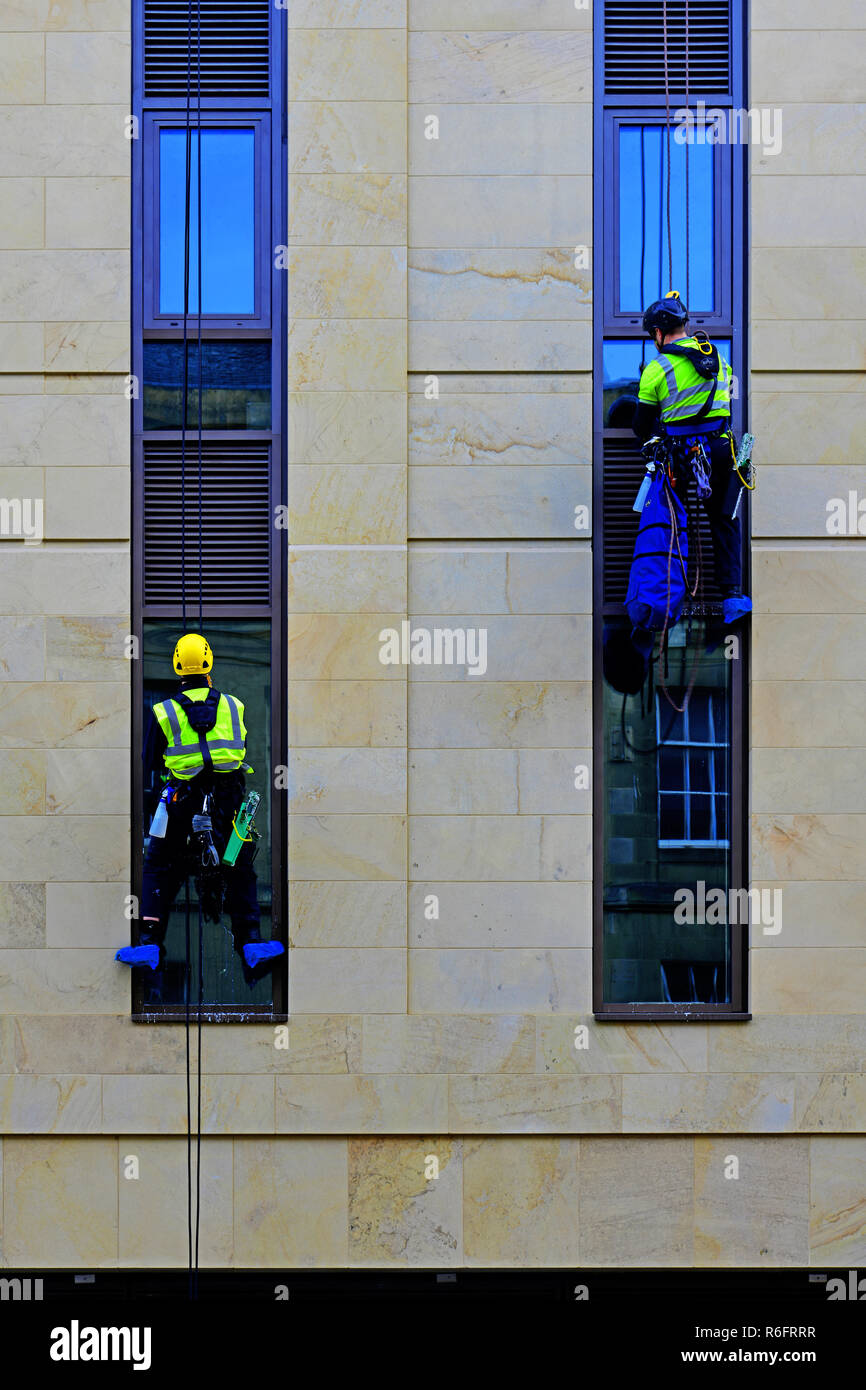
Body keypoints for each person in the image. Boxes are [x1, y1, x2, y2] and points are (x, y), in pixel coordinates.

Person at [116, 632, 284, 986]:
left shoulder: (163, 712)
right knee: (239, 865)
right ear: (209, 666)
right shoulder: (235, 705)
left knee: (159, 865)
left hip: (183, 804)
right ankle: (251, 942)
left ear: (178, 667)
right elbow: (240, 750)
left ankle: (148, 943)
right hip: (229, 806)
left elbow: (149, 761)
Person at [632, 291, 752, 627]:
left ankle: (669, 595)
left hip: (681, 457)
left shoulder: (657, 369)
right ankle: (732, 597)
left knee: (670, 521)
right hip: (721, 450)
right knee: (724, 520)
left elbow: (641, 426)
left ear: (658, 332)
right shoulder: (719, 361)